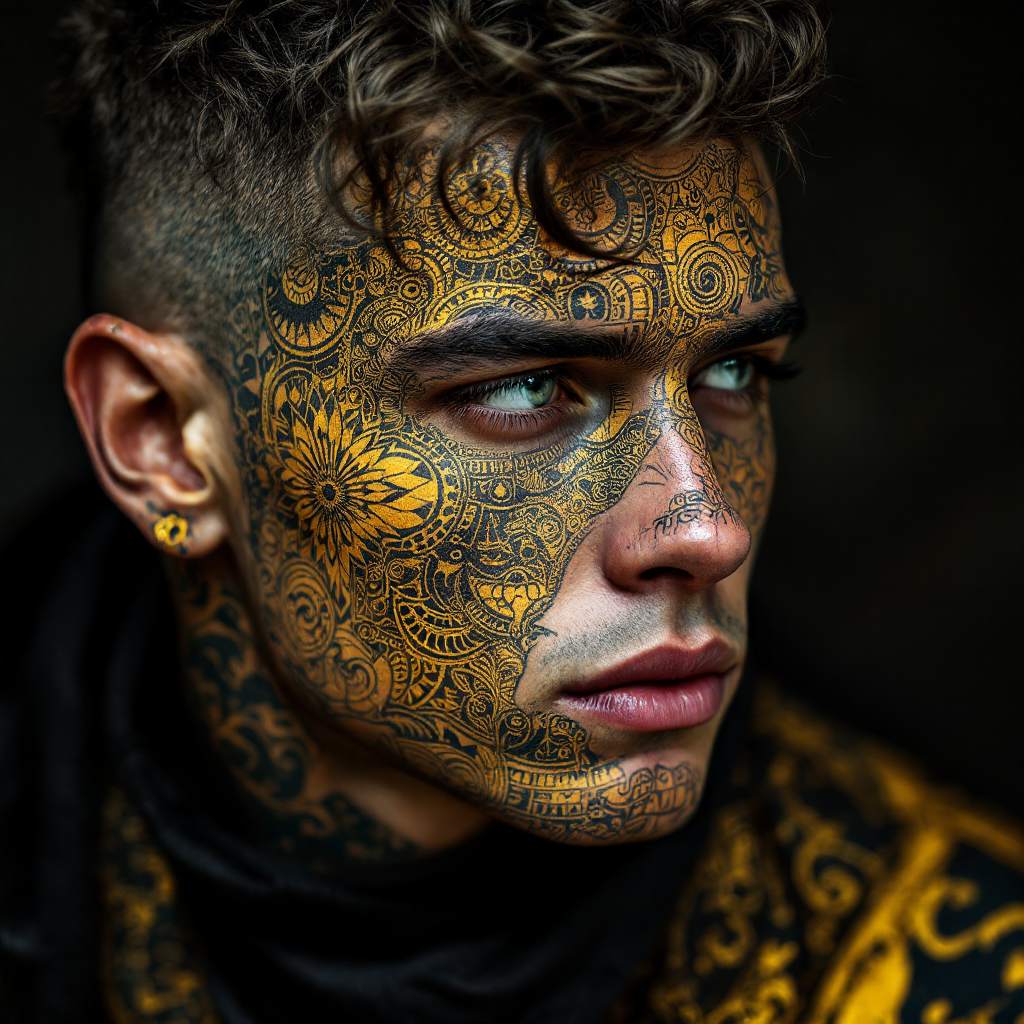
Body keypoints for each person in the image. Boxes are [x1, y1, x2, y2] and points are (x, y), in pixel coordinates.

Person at [1, 1, 1021, 1021]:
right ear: (163, 438)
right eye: (525, 391)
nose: (707, 529)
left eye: (733, 370)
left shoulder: (955, 972)